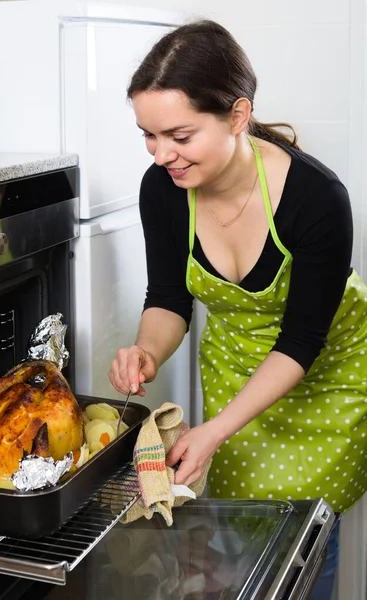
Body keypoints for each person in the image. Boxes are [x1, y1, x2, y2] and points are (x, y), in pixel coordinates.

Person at [108, 19, 367, 599]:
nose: (162, 155)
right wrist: (147, 349)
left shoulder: (317, 199)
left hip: (322, 379)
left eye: (178, 135)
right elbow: (169, 299)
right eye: (148, 136)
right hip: (234, 369)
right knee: (239, 541)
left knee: (301, 547)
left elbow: (303, 339)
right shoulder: (164, 190)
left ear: (238, 115)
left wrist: (214, 431)